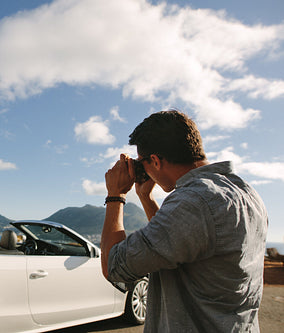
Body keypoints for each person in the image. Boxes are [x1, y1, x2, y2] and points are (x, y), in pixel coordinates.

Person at [101, 110, 268, 332]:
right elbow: (177, 245)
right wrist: (146, 196)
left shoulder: (194, 202)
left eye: (143, 163)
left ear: (155, 160)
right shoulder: (244, 192)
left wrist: (116, 195)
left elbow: (114, 266)